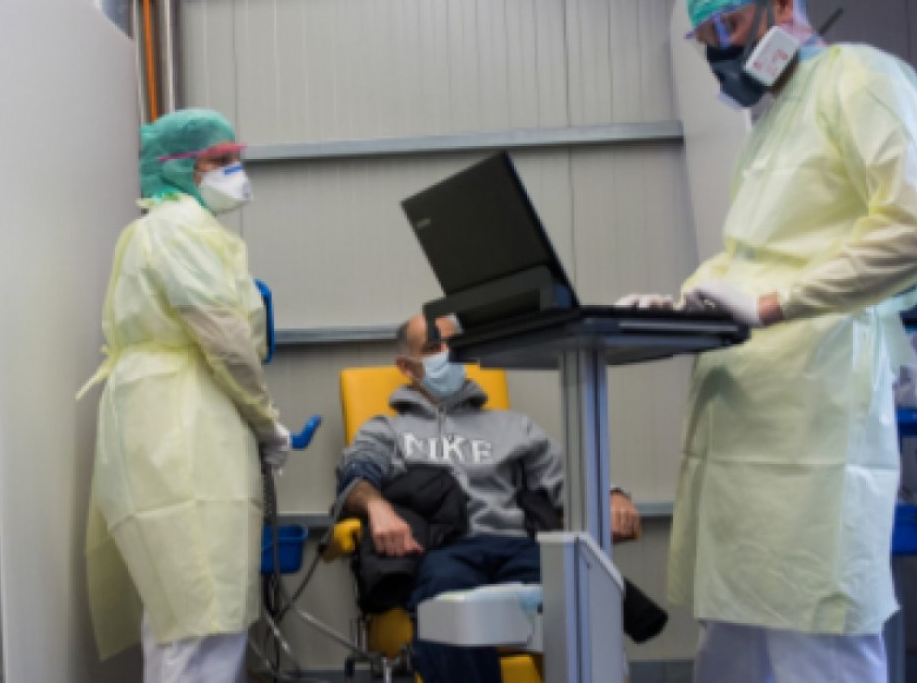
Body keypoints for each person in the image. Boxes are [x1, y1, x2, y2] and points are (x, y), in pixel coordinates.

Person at [620, 0, 917, 682]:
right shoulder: (769, 124)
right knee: (731, 639)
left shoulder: (860, 79)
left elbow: (916, 232)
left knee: (815, 639)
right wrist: (684, 304)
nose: (720, 53)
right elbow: (755, 253)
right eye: (706, 39)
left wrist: (775, 305)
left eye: (728, 27)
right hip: (744, 419)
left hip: (814, 418)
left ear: (782, 4)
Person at [79, 108, 291, 683]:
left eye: (234, 158)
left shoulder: (158, 230)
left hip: (167, 424)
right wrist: (266, 423)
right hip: (185, 430)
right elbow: (225, 339)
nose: (234, 171)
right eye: (218, 161)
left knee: (185, 613)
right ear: (177, 168)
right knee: (201, 614)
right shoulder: (182, 229)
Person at [334, 313, 642, 683]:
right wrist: (376, 506)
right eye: (433, 347)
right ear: (406, 366)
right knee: (446, 606)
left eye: (454, 345)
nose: (447, 354)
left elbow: (570, 478)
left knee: (584, 589)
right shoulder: (388, 429)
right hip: (444, 553)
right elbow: (356, 475)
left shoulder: (513, 426)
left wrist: (612, 495)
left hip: (515, 547)